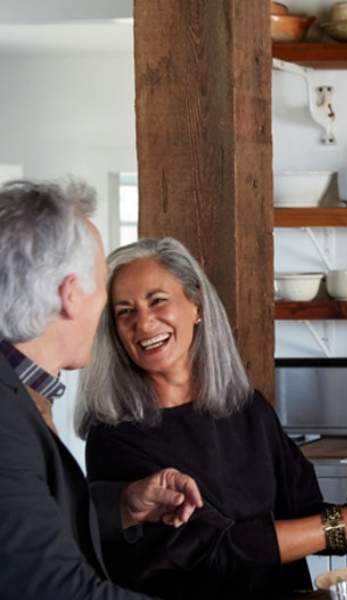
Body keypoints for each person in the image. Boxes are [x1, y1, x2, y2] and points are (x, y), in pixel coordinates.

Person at [75, 237, 347, 600]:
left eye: (157, 301)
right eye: (125, 311)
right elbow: (218, 550)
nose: (143, 323)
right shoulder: (115, 437)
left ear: (196, 305)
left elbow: (309, 520)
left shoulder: (246, 407)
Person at [0, 178, 203, 600]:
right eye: (103, 284)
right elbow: (54, 588)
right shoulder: (5, 420)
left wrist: (125, 504)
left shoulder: (20, 395)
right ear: (71, 295)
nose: (107, 308)